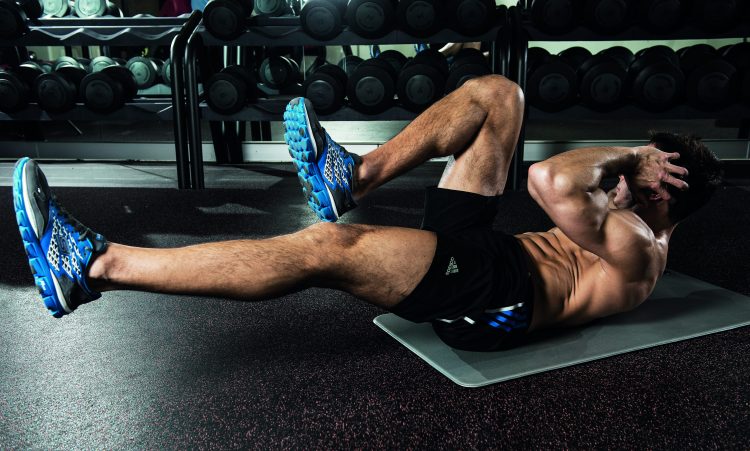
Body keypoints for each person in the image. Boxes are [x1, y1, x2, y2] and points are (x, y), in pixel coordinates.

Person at [12, 75, 722, 352]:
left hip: (495, 295)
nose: (627, 182)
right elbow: (557, 181)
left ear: (664, 197)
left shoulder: (639, 244)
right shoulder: (631, 216)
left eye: (643, 178)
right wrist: (632, 163)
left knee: (331, 248)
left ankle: (93, 264)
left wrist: (631, 153)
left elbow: (549, 181)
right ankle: (350, 174)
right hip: (488, 251)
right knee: (498, 97)